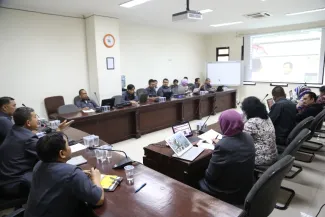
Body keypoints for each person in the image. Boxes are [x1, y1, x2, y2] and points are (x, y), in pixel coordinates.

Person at [24, 132, 104, 217]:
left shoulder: (38, 164)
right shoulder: (71, 173)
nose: (70, 147)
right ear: (62, 153)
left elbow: (57, 179)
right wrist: (96, 178)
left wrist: (78, 175)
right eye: (68, 145)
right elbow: (98, 199)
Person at [0, 107, 73, 198]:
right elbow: (49, 152)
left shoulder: (15, 130)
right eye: (35, 117)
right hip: (17, 183)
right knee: (60, 176)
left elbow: (42, 144)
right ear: (28, 123)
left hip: (6, 179)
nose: (38, 119)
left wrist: (57, 131)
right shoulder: (27, 139)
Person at [199, 109, 255, 205]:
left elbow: (210, 177)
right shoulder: (248, 137)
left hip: (229, 192)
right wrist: (222, 141)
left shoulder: (223, 146)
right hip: (246, 187)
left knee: (196, 177)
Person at [242, 97, 278, 166]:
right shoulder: (267, 117)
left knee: (233, 152)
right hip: (273, 155)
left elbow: (241, 141)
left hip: (261, 159)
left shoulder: (252, 122)